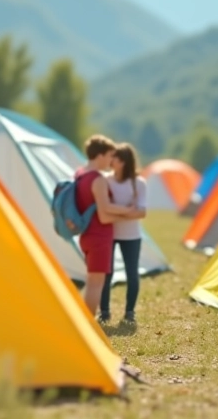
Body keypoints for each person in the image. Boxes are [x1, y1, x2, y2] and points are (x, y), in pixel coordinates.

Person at [72, 134, 142, 320]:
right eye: (110, 155)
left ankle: (88, 320)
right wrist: (128, 210)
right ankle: (89, 323)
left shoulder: (80, 173)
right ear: (101, 155)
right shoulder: (99, 180)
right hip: (99, 236)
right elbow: (104, 215)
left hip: (87, 234)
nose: (111, 160)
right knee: (97, 283)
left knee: (93, 280)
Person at [100, 143, 147, 324]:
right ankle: (104, 312)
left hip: (132, 236)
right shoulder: (105, 180)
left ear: (125, 162)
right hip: (109, 234)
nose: (112, 161)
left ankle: (129, 312)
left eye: (116, 158)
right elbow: (103, 209)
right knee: (106, 273)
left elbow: (142, 212)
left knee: (131, 273)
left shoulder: (139, 183)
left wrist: (115, 213)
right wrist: (128, 210)